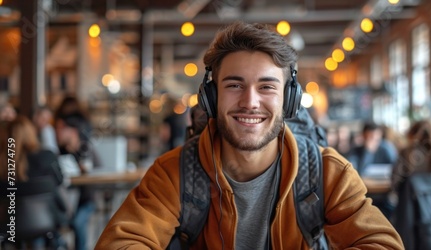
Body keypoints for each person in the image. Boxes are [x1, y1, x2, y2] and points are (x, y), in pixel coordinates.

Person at [95, 21, 403, 249]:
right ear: (211, 98)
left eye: (267, 86)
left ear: (289, 99)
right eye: (234, 85)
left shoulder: (326, 171)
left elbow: (381, 243)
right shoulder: (173, 173)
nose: (250, 101)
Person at [0, 115, 68, 249]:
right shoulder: (47, 157)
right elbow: (60, 181)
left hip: (7, 225)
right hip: (46, 221)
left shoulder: (2, 163)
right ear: (32, 133)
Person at [55, 112, 101, 250]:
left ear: (73, 131)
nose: (58, 133)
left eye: (62, 129)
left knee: (78, 221)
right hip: (66, 202)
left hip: (86, 199)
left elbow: (98, 168)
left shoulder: (85, 148)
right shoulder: (60, 150)